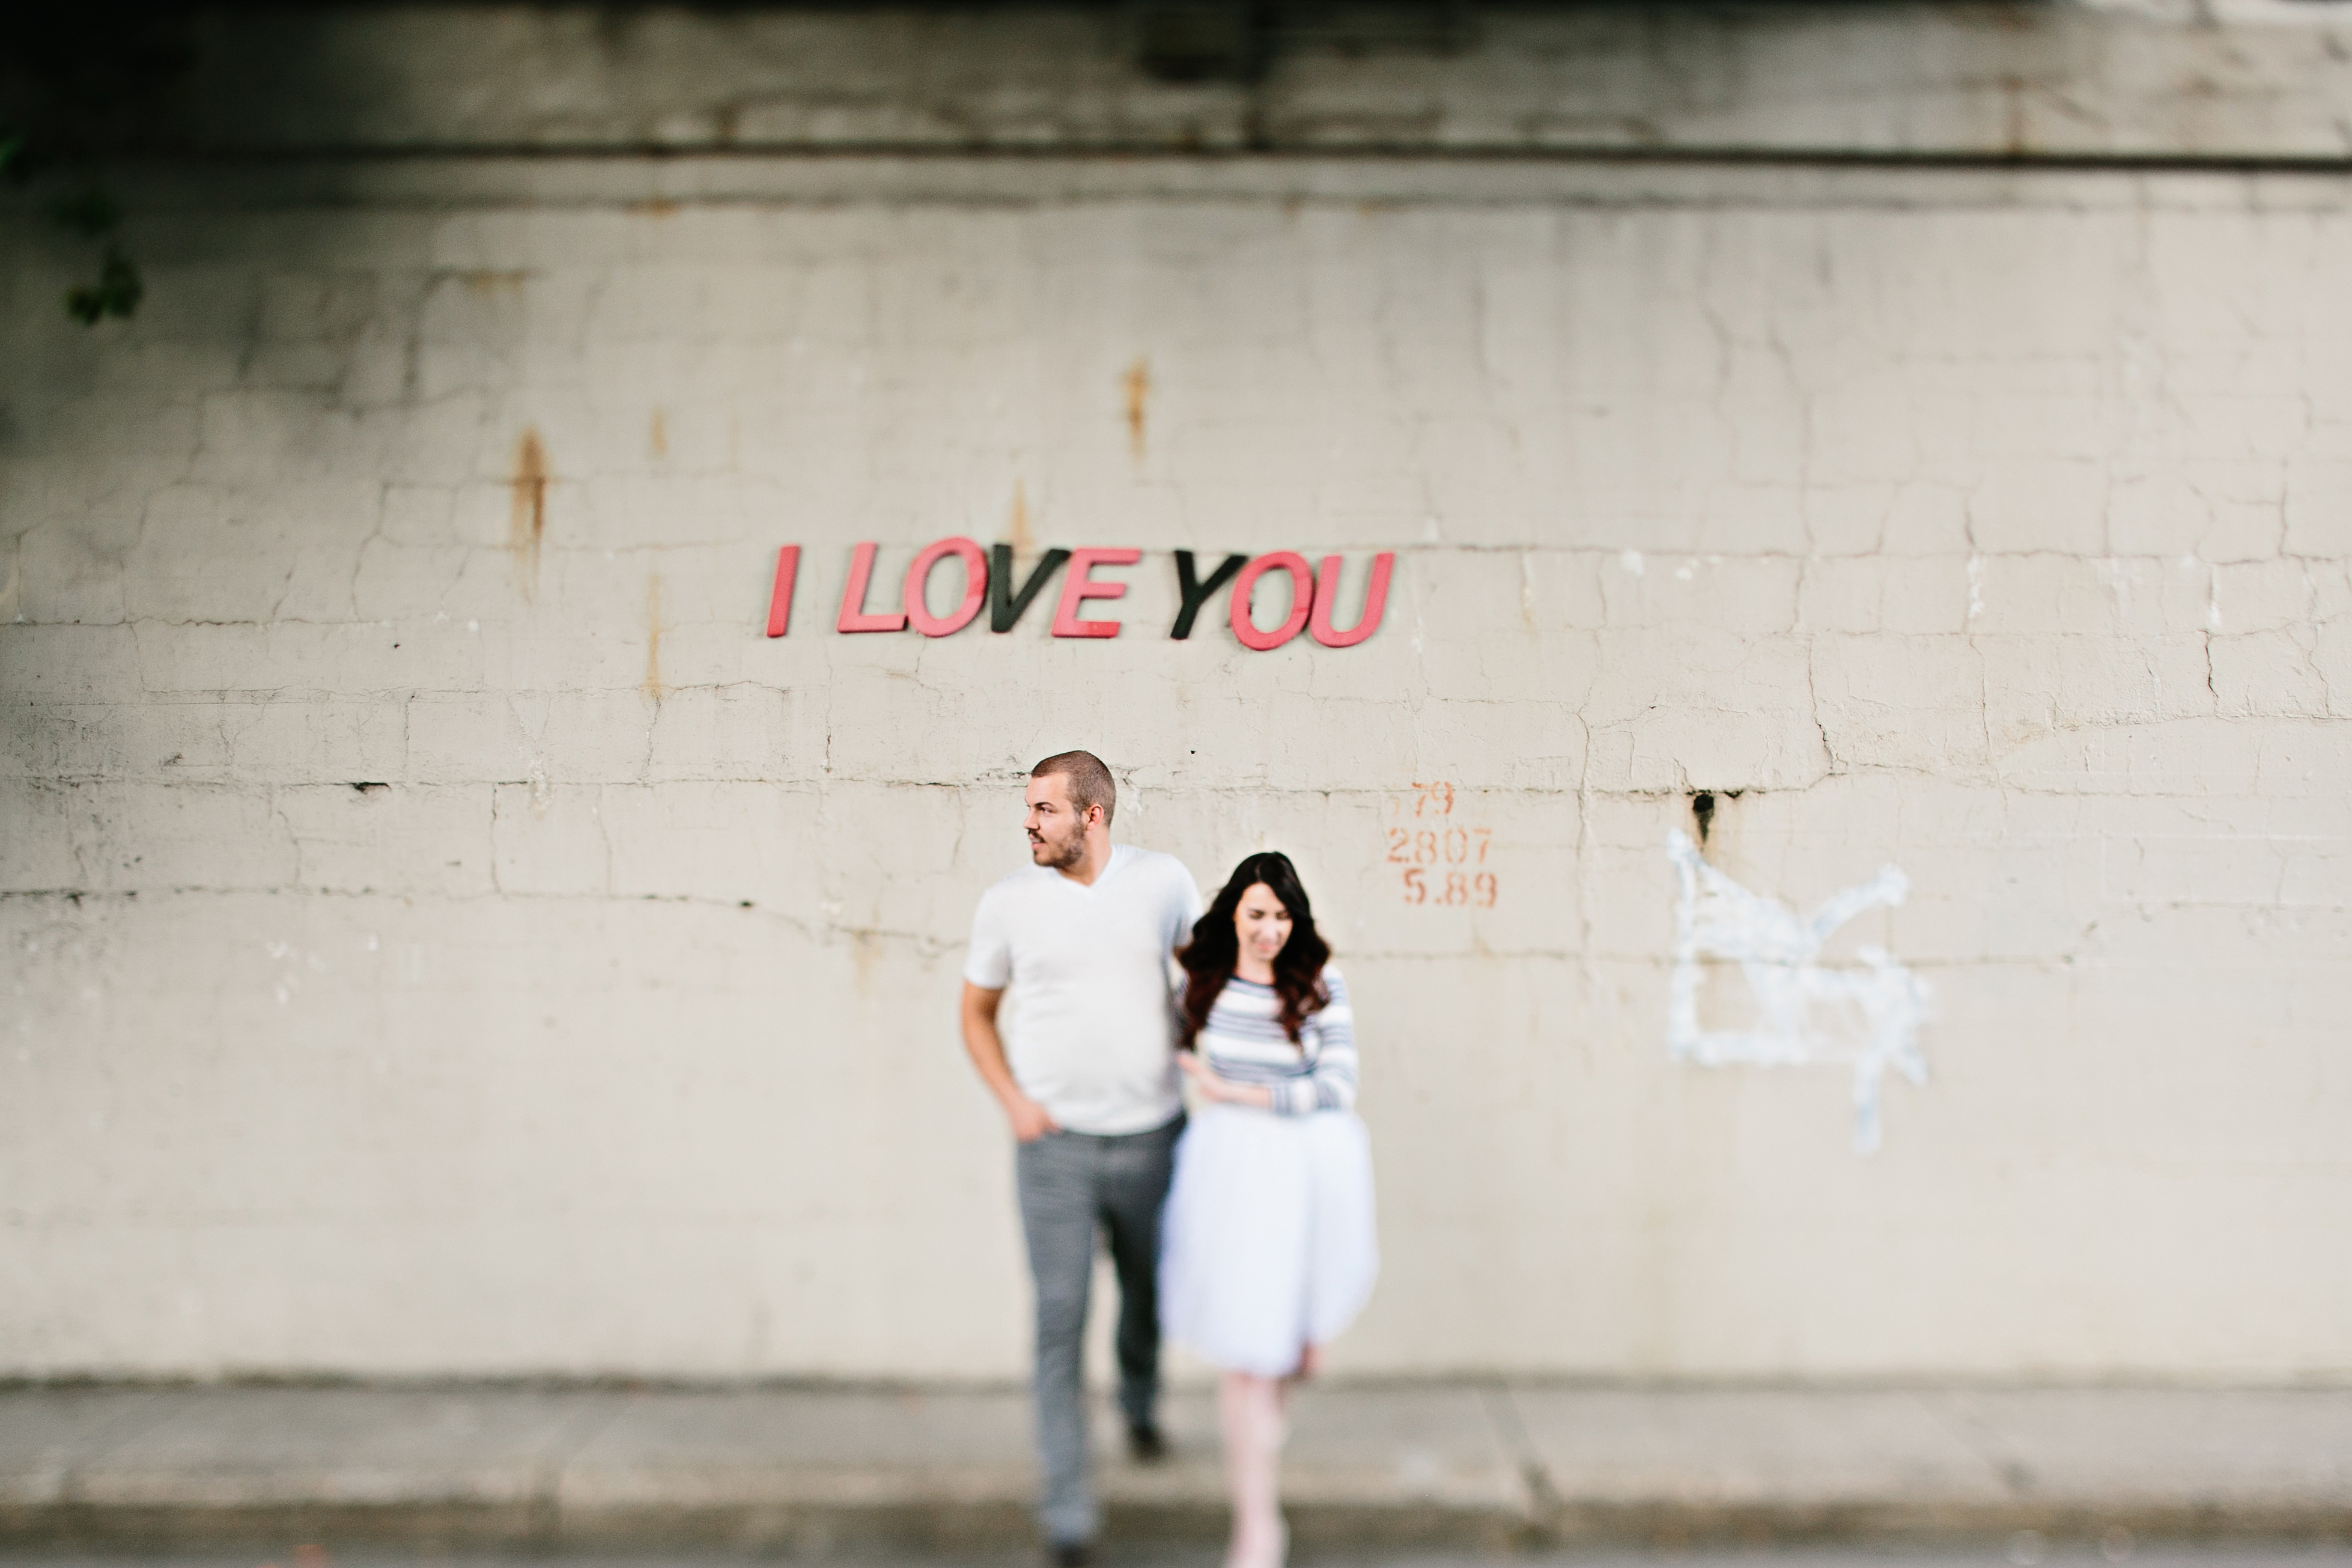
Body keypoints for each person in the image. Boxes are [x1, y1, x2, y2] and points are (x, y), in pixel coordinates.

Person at [959, 750, 1202, 1567]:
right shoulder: (1006, 903)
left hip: (1151, 1139)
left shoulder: (1164, 882)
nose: (1028, 822)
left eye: (1043, 809)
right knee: (1058, 1323)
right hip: (1053, 1149)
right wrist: (1016, 1104)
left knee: (1144, 1297)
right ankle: (1067, 1514)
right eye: (1027, 809)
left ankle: (1138, 1400)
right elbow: (975, 1014)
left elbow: (1199, 985)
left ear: (1090, 815)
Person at [1159, 852, 1379, 1568]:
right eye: (1257, 914)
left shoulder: (1320, 981)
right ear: (1234, 915)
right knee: (1245, 1353)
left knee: (1285, 1350)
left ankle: (1286, 1385)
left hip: (1307, 1172)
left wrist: (1238, 1096)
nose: (1270, 930)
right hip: (1230, 1178)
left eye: (1282, 916)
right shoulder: (1206, 980)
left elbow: (1337, 1085)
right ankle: (1256, 1522)